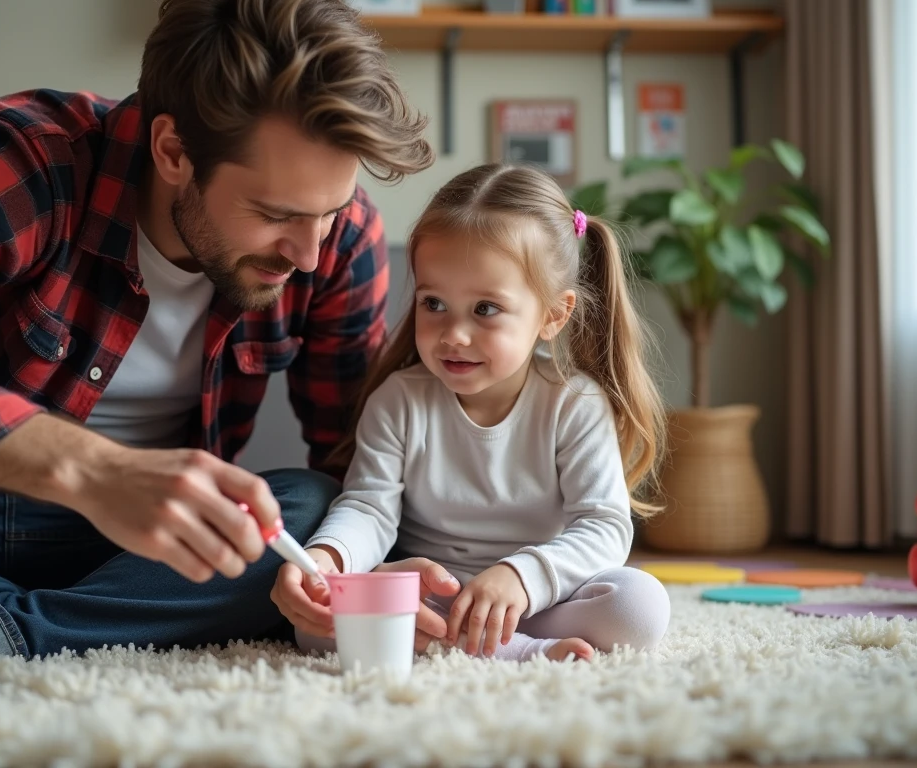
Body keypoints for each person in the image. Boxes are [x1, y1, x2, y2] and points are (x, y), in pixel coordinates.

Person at [0, 0, 434, 692]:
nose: (308, 254)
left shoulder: (339, 238)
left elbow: (355, 455)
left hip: (150, 553)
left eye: (329, 212)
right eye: (275, 215)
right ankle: (68, 629)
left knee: (309, 505)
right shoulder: (34, 154)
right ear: (173, 152)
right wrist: (92, 471)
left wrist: (374, 564)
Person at [272, 163, 671, 662]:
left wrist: (522, 577)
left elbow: (604, 525)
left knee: (639, 607)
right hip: (434, 598)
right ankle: (522, 652)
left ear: (553, 315)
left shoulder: (574, 403)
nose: (453, 334)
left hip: (538, 596)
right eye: (433, 303)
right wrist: (326, 558)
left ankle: (509, 640)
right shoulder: (399, 401)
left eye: (485, 309)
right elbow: (368, 508)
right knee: (320, 623)